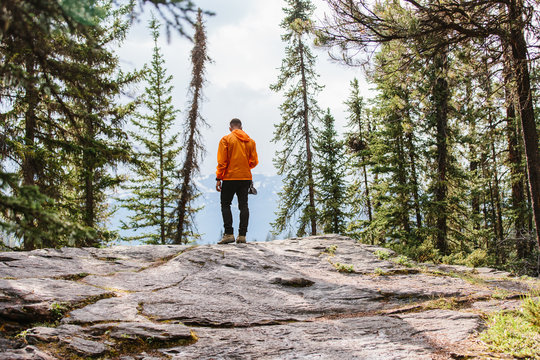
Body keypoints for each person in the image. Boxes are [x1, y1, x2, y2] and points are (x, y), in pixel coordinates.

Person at [216, 118, 258, 244]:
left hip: (230, 177)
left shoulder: (226, 140)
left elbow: (222, 162)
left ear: (230, 128)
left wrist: (219, 178)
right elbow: (254, 161)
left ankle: (229, 234)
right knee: (243, 206)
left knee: (225, 204)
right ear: (241, 128)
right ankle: (242, 236)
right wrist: (245, 167)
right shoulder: (251, 142)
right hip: (245, 178)